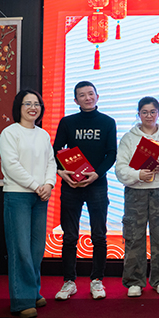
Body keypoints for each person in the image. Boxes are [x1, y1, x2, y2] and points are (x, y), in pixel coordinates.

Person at [53, 81, 117, 301]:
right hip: (71, 185)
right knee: (70, 236)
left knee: (99, 235)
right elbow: (56, 151)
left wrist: (96, 174)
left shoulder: (108, 122)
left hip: (97, 185)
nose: (88, 98)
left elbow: (111, 153)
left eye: (91, 94)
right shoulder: (67, 122)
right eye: (82, 95)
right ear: (75, 100)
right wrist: (63, 174)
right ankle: (69, 282)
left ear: (97, 96)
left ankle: (97, 280)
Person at [0, 89, 57, 318]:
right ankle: (22, 301)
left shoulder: (43, 134)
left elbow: (51, 162)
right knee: (20, 248)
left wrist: (49, 184)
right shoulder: (9, 133)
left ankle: (33, 293)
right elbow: (11, 165)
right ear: (18, 107)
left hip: (40, 196)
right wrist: (36, 185)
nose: (33, 108)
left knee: (36, 249)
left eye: (37, 104)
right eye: (28, 104)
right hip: (18, 195)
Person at [115, 97, 159, 298]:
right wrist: (137, 175)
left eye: (152, 112)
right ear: (138, 114)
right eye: (144, 112)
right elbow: (120, 168)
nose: (149, 116)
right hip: (136, 191)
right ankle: (134, 281)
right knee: (134, 236)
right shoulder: (129, 138)